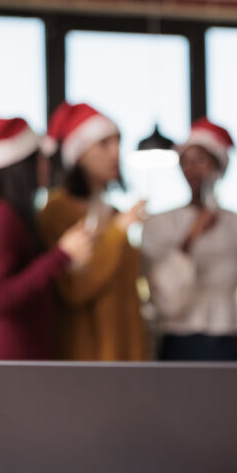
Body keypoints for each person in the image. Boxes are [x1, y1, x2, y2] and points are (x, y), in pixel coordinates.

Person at [142, 118, 237, 361]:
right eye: (185, 161)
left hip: (230, 338)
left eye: (200, 160)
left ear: (218, 165)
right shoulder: (161, 224)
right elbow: (159, 291)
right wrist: (188, 240)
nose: (191, 169)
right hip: (177, 339)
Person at [0, 117, 93, 360]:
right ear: (23, 165)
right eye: (39, 158)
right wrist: (61, 255)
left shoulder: (3, 215)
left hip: (13, 365)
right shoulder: (0, 217)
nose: (45, 165)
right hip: (4, 369)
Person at [38, 102, 149, 361]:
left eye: (118, 143)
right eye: (104, 144)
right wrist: (118, 231)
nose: (115, 153)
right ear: (79, 153)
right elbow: (75, 287)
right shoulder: (57, 211)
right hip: (85, 362)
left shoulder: (112, 212)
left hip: (125, 356)